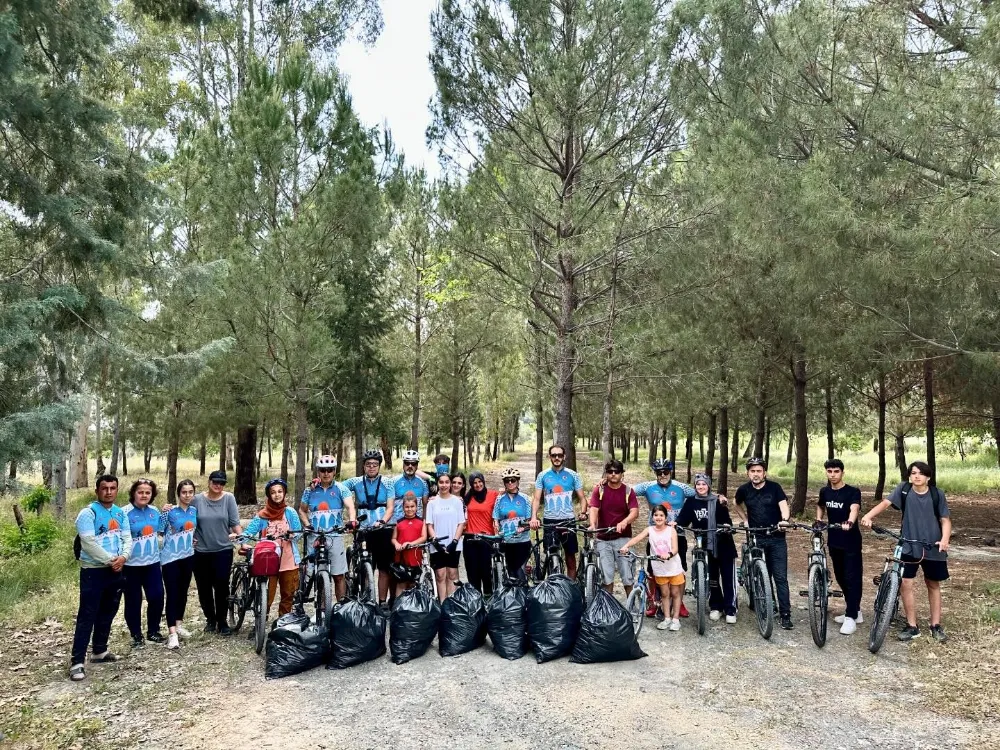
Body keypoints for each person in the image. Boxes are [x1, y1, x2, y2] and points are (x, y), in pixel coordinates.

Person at [861, 461, 951, 642]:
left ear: (928, 477)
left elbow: (945, 520)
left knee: (933, 584)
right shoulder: (904, 489)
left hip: (933, 547)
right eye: (913, 473)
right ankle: (912, 626)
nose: (916, 476)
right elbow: (885, 503)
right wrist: (868, 516)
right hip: (909, 545)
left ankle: (935, 625)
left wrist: (944, 540)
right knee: (905, 584)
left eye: (921, 473)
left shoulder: (936, 494)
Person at [70, 474, 132, 681]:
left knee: (108, 611)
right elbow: (88, 543)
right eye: (104, 488)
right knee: (87, 615)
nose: (108, 492)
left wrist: (123, 557)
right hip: (93, 571)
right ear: (97, 490)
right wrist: (111, 560)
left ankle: (100, 651)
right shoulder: (88, 514)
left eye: (112, 488)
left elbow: (126, 538)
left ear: (117, 489)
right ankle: (77, 661)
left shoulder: (119, 513)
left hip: (115, 570)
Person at [734, 458, 793, 630]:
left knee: (780, 577)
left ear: (764, 473)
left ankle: (785, 615)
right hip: (756, 537)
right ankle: (768, 604)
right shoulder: (744, 490)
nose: (756, 474)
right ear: (748, 473)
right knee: (761, 575)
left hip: (776, 536)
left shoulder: (775, 488)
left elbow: (784, 506)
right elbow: (736, 503)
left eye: (759, 471)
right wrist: (744, 520)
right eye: (752, 471)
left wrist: (784, 520)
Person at [634, 458, 695, 618]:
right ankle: (654, 601)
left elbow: (702, 493)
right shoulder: (647, 487)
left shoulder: (681, 488)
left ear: (671, 472)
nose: (662, 475)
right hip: (655, 534)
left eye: (666, 472)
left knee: (679, 571)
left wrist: (719, 497)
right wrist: (603, 485)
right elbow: (626, 490)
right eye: (659, 472)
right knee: (653, 570)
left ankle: (679, 602)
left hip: (677, 534)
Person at [676, 473, 738, 624]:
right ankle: (715, 606)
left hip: (723, 543)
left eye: (704, 484)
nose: (701, 487)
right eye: (698, 484)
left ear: (709, 486)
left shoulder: (718, 501)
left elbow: (727, 520)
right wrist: (675, 523)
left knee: (728, 578)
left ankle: (730, 608)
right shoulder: (691, 502)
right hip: (704, 545)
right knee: (712, 578)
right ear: (695, 486)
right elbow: (683, 519)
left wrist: (727, 526)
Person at [341, 449, 396, 610]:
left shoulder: (388, 482)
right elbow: (336, 487)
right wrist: (317, 482)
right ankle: (365, 600)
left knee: (384, 567)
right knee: (366, 566)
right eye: (368, 465)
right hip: (363, 529)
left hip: (383, 528)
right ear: (363, 466)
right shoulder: (355, 482)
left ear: (379, 466)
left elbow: (390, 507)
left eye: (375, 465)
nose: (371, 467)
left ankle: (382, 601)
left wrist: (383, 521)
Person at [243, 478, 303, 618]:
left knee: (288, 593)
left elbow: (298, 532)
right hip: (268, 558)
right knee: (266, 594)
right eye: (273, 492)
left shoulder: (290, 512)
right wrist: (241, 540)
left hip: (288, 558)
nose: (277, 495)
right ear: (269, 495)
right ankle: (262, 619)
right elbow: (249, 531)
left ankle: (283, 621)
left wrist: (292, 535)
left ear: (284, 493)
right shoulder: (263, 515)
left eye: (280, 491)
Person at [816, 458, 864, 635]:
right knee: (840, 577)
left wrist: (850, 521)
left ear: (842, 472)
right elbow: (821, 506)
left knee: (853, 577)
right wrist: (819, 519)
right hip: (834, 540)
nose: (833, 475)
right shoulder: (825, 491)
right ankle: (855, 610)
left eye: (836, 471)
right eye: (829, 471)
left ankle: (851, 617)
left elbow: (854, 509)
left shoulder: (852, 491)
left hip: (850, 541)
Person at [191, 470, 241, 635]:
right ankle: (210, 620)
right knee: (203, 587)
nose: (218, 485)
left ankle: (222, 621)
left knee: (221, 586)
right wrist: (188, 538)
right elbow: (186, 520)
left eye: (221, 483)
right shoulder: (197, 500)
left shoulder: (229, 499)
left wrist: (241, 540)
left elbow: (235, 523)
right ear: (209, 482)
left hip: (223, 550)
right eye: (215, 482)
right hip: (201, 551)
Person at [299, 455, 354, 601]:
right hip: (315, 535)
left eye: (329, 470)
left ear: (334, 471)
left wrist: (352, 520)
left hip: (335, 535)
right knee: (314, 572)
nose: (326, 473)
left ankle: (341, 606)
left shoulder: (342, 489)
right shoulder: (310, 490)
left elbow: (350, 506)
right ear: (318, 471)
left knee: (338, 575)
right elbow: (302, 510)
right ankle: (322, 609)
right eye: (323, 470)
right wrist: (307, 524)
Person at [621, 505, 685, 631]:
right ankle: (667, 618)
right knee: (664, 594)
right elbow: (637, 538)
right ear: (652, 517)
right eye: (656, 515)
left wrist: (669, 554)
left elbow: (675, 549)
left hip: (673, 567)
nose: (658, 517)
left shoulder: (671, 530)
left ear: (666, 517)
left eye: (661, 515)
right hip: (659, 568)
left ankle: (676, 619)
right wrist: (626, 546)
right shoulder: (650, 530)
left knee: (675, 593)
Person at [531, 444, 587, 579]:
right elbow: (537, 498)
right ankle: (553, 584)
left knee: (570, 555)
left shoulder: (573, 475)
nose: (557, 458)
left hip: (568, 520)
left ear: (564, 457)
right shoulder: (542, 475)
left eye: (560, 455)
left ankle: (571, 586)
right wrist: (534, 517)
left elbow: (582, 498)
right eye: (554, 455)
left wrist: (583, 512)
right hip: (550, 520)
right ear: (549, 457)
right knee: (551, 553)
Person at [122, 478, 166, 648]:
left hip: (152, 563)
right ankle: (136, 635)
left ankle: (153, 631)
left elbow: (162, 531)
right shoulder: (123, 513)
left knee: (156, 596)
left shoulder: (154, 511)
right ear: (133, 493)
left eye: (148, 492)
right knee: (134, 601)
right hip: (130, 565)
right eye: (140, 492)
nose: (144, 495)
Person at [587, 459, 639, 595]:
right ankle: (608, 610)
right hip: (603, 539)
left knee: (628, 577)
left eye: (617, 472)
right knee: (606, 578)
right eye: (610, 471)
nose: (613, 474)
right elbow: (594, 508)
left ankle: (631, 609)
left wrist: (625, 522)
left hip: (623, 539)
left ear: (622, 474)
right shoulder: (600, 489)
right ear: (606, 474)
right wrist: (593, 524)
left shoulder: (628, 491)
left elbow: (634, 512)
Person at [161, 479, 197, 650]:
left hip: (188, 556)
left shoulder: (194, 511)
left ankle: (179, 624)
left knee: (183, 592)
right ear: (178, 494)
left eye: (190, 492)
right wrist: (162, 511)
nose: (187, 495)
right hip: (170, 558)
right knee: (173, 593)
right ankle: (172, 633)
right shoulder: (169, 512)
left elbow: (192, 531)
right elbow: (159, 532)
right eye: (184, 492)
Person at [424, 473, 466, 601]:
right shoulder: (432, 503)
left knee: (452, 574)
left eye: (447, 482)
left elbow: (461, 523)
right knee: (440, 574)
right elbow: (429, 524)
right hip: (438, 544)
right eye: (441, 482)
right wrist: (435, 541)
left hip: (454, 543)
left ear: (450, 484)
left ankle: (451, 604)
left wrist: (454, 541)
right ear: (437, 484)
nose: (444, 485)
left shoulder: (457, 502)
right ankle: (442, 603)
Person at [462, 470, 499, 596]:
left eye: (479, 482)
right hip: (470, 537)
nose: (478, 485)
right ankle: (476, 599)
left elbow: (506, 499)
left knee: (486, 571)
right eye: (474, 483)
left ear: (483, 481)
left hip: (487, 538)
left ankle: (489, 597)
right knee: (472, 572)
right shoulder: (467, 498)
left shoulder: (493, 495)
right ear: (471, 485)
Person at [493, 468, 533, 579]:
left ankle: (523, 594)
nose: (510, 483)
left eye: (513, 480)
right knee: (510, 572)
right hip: (507, 540)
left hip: (522, 540)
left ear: (518, 481)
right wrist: (496, 527)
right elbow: (496, 518)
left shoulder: (525, 498)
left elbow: (530, 518)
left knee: (521, 572)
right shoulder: (500, 499)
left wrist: (524, 527)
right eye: (507, 481)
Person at [391, 494, 427, 595]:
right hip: (402, 557)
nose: (409, 509)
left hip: (415, 556)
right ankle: (398, 606)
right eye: (407, 507)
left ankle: (413, 607)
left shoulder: (421, 522)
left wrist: (411, 543)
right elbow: (393, 538)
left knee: (413, 583)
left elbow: (423, 537)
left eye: (412, 506)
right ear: (403, 507)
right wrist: (397, 544)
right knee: (401, 583)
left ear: (416, 507)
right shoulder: (398, 522)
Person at [391, 450, 428, 521]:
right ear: (403, 464)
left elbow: (425, 505)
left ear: (417, 465)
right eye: (407, 463)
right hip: (398, 523)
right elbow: (389, 505)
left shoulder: (423, 482)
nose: (410, 466)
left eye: (413, 463)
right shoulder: (393, 481)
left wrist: (424, 523)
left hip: (417, 523)